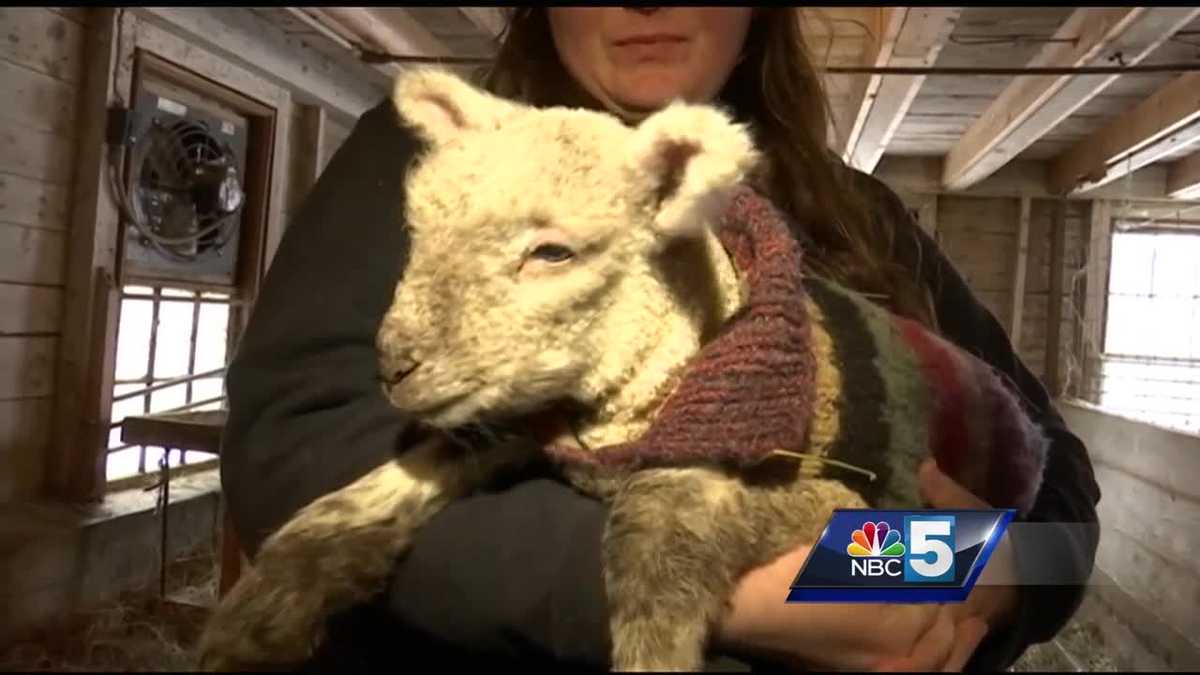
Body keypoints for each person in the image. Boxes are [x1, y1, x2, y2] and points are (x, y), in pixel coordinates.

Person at [218, 7, 1101, 672]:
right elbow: (298, 449)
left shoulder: (863, 218)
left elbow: (1062, 486)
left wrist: (956, 569)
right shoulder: (449, 165)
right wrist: (729, 597)